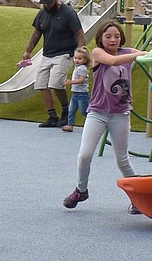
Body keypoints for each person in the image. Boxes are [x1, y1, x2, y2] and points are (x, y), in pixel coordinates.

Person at [63, 20, 146, 214]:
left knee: (122, 160)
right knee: (84, 155)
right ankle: (81, 190)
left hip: (120, 114)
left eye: (117, 36)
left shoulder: (127, 52)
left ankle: (139, 198)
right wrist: (140, 54)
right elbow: (114, 62)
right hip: (98, 113)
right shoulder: (98, 53)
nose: (113, 39)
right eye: (108, 36)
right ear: (101, 38)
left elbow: (143, 57)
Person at [22, 0, 85, 128]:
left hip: (64, 53)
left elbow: (79, 34)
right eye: (45, 3)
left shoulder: (68, 13)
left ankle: (66, 111)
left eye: (50, 2)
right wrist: (28, 51)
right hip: (47, 54)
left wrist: (80, 52)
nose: (47, 5)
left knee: (56, 83)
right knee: (41, 84)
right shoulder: (42, 13)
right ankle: (52, 117)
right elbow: (37, 33)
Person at [61, 46, 91, 132]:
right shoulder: (77, 67)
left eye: (80, 59)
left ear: (85, 60)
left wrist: (70, 82)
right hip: (75, 93)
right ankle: (70, 125)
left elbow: (81, 80)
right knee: (71, 110)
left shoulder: (82, 68)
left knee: (84, 111)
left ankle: (91, 125)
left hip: (82, 94)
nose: (77, 60)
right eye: (75, 58)